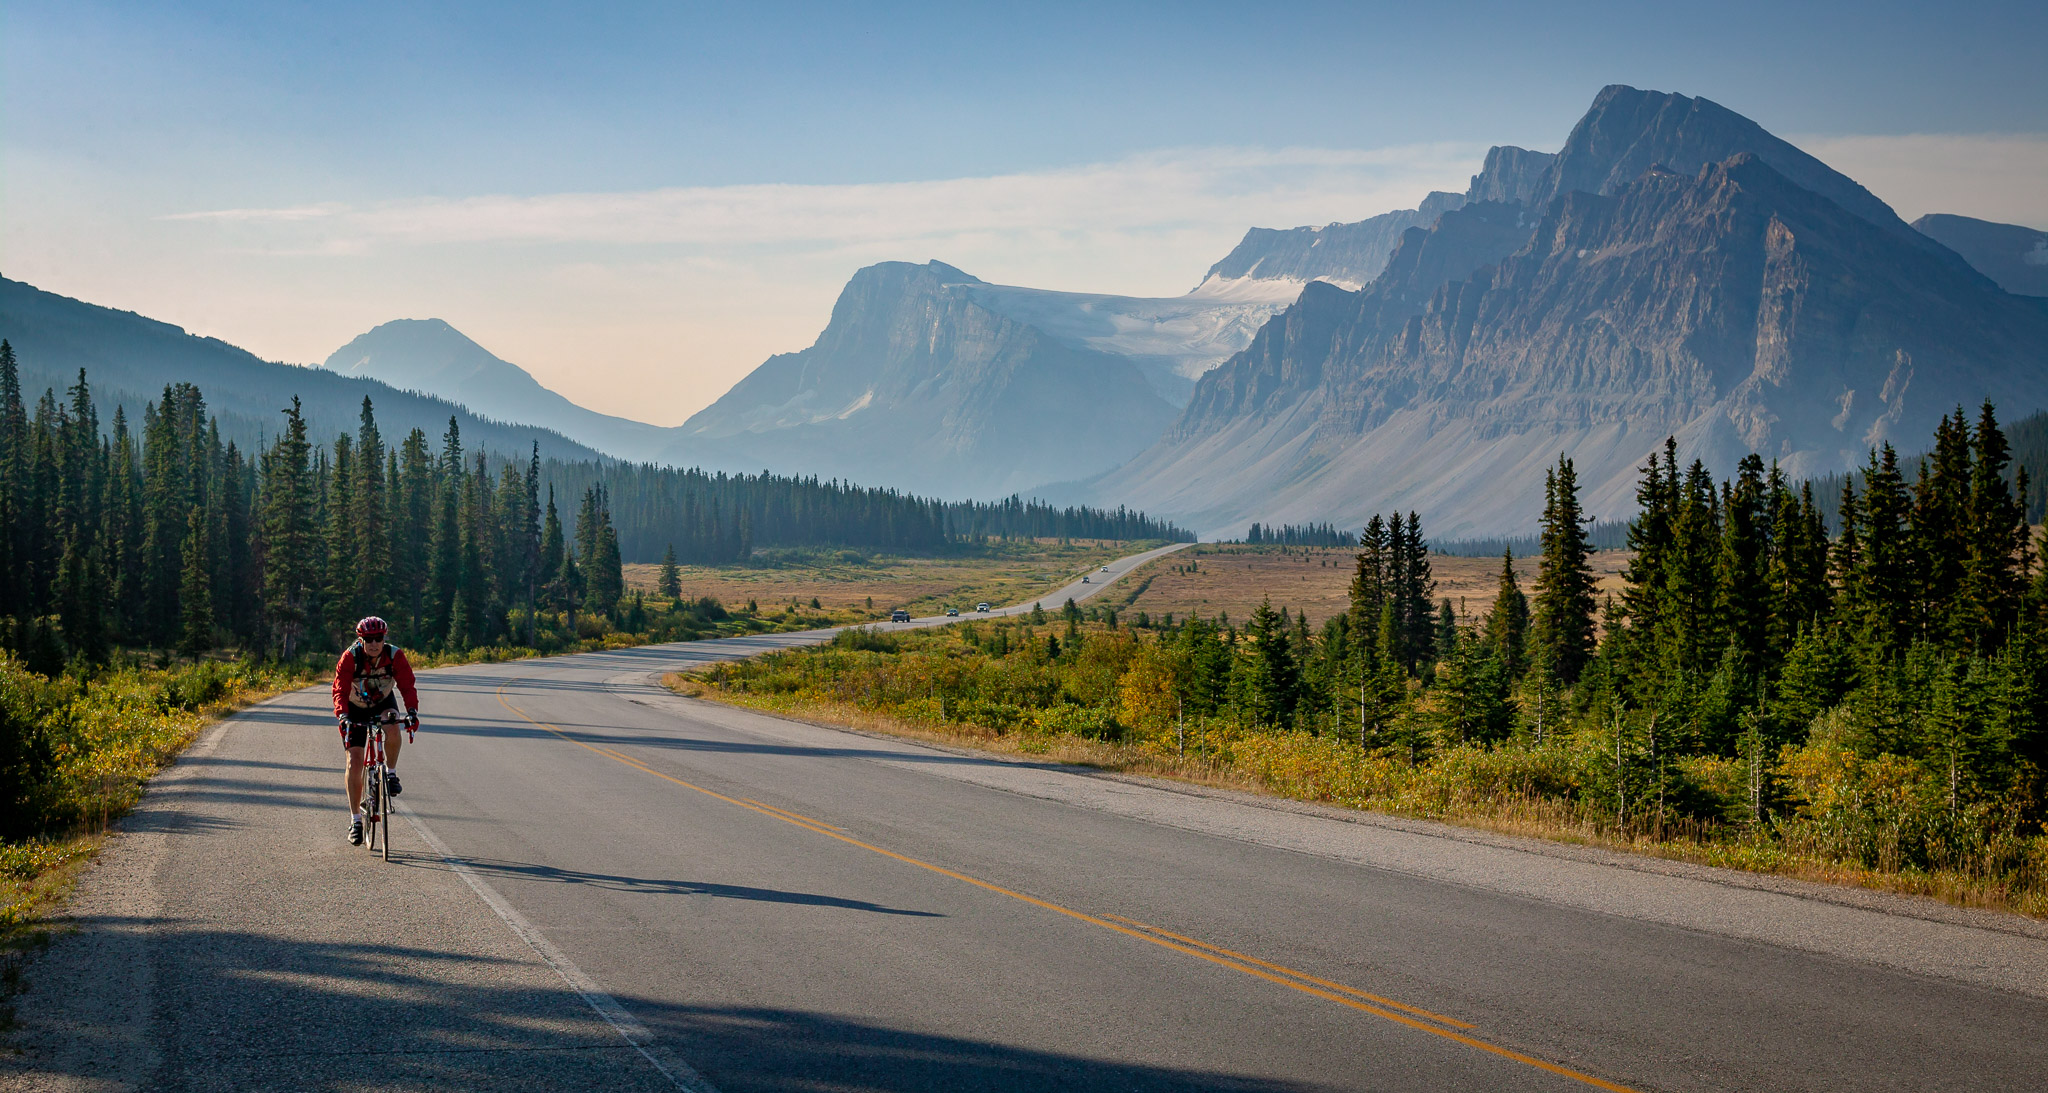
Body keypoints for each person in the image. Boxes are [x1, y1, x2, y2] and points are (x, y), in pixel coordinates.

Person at [332, 616, 420, 845]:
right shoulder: (350, 657)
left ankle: (390, 773)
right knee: (355, 760)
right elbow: (340, 688)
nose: (374, 644)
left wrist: (412, 711)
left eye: (378, 639)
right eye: (369, 639)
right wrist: (342, 715)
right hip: (354, 706)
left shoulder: (395, 656)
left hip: (383, 701)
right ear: (361, 640)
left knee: (392, 725)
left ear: (384, 639)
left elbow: (407, 684)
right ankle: (356, 820)